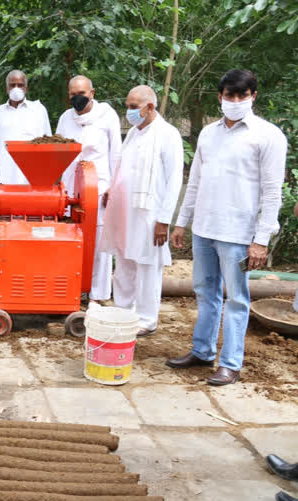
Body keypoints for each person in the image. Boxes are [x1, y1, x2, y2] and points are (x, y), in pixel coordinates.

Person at [166, 69, 287, 385]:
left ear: (253, 97)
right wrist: (182, 223)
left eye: (242, 95)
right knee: (205, 292)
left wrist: (261, 240)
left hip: (238, 233)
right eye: (229, 95)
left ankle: (230, 364)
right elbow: (194, 182)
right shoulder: (208, 134)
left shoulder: (268, 136)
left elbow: (273, 192)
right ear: (219, 97)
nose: (235, 101)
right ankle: (202, 351)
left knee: (236, 298)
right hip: (205, 228)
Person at [100, 85, 183, 336]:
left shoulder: (168, 134)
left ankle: (146, 319)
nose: (129, 112)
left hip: (150, 214)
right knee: (124, 261)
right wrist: (111, 189)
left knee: (147, 265)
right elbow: (125, 170)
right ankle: (123, 311)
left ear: (150, 107)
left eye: (134, 107)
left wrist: (163, 221)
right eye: (127, 106)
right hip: (125, 211)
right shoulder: (134, 134)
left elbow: (174, 179)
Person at [56, 75, 122, 307]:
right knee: (72, 238)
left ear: (92, 93)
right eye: (73, 95)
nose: (78, 98)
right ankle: (72, 290)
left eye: (82, 94)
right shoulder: (65, 118)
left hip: (99, 187)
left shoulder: (107, 115)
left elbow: (116, 153)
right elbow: (58, 150)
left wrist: (114, 187)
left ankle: (97, 294)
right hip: (71, 187)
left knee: (100, 242)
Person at [0, 70, 52, 185]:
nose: (16, 88)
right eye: (12, 85)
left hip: (32, 174)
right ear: (7, 88)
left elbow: (48, 143)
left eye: (20, 85)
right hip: (5, 174)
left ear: (26, 88)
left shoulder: (38, 110)